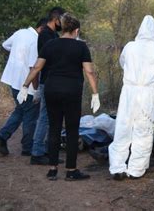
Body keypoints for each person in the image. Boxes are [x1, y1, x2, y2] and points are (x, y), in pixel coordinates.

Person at [18, 13, 100, 181]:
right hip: (72, 91)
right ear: (76, 30)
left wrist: (25, 86)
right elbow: (89, 71)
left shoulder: (50, 44)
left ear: (62, 28)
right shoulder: (81, 47)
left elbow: (36, 68)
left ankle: (53, 169)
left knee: (54, 128)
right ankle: (71, 170)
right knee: (71, 130)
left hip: (52, 89)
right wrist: (95, 93)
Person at [109, 15, 154, 180]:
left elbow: (122, 62)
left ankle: (117, 167)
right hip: (147, 92)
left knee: (123, 127)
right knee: (143, 129)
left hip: (129, 91)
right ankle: (136, 169)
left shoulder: (130, 46)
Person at [0, 21, 43, 156]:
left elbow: (5, 45)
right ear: (41, 28)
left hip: (12, 79)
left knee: (21, 110)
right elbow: (34, 68)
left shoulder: (20, 32)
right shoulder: (35, 41)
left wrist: (17, 52)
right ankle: (27, 147)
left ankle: (2, 136)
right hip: (25, 83)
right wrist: (36, 90)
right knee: (30, 115)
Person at [30, 7, 65, 165]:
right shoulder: (45, 35)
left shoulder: (52, 34)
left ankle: (46, 149)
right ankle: (36, 152)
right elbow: (51, 55)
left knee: (50, 118)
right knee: (44, 117)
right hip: (47, 80)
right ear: (56, 19)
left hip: (53, 79)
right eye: (62, 20)